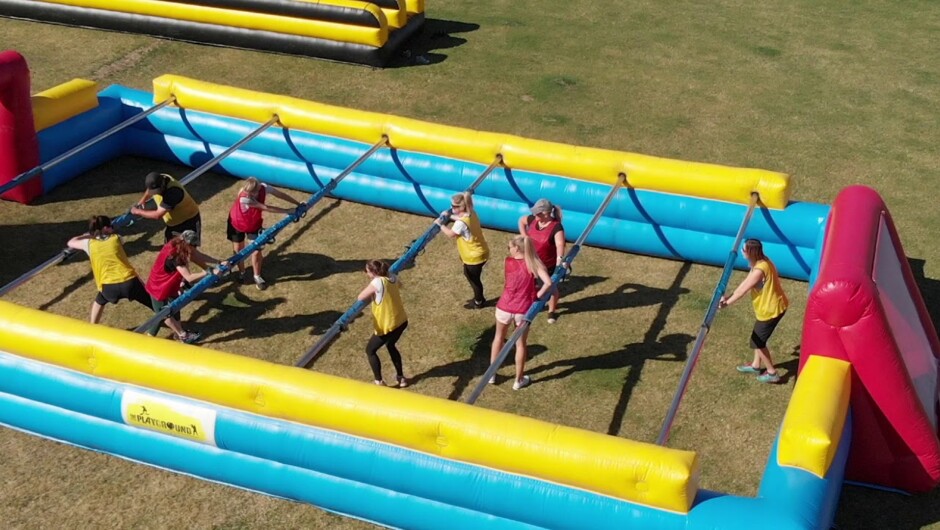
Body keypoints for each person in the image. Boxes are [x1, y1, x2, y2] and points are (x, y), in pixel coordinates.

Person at [66, 215, 197, 342]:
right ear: (106, 228)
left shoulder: (88, 243)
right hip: (130, 282)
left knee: (99, 301)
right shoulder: (117, 238)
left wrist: (89, 235)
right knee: (158, 309)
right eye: (111, 226)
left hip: (108, 287)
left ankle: (92, 327)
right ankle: (181, 333)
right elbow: (115, 239)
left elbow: (71, 242)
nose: (113, 228)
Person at [719, 238, 789, 384]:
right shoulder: (761, 261)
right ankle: (756, 366)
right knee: (758, 337)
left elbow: (742, 292)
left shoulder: (759, 270)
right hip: (769, 307)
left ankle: (772, 373)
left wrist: (726, 304)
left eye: (744, 250)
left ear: (750, 252)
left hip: (771, 310)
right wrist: (728, 297)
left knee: (757, 341)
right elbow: (745, 282)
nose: (742, 252)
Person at [490, 235, 553, 390]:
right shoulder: (534, 264)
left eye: (509, 247)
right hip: (523, 310)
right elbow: (549, 282)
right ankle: (518, 380)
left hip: (504, 306)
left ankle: (491, 374)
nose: (508, 250)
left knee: (498, 337)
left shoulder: (507, 261)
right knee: (520, 345)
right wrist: (538, 295)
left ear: (516, 248)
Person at [144, 230, 226, 343]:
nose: (195, 248)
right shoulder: (176, 256)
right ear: (188, 245)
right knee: (164, 314)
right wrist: (209, 272)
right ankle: (183, 335)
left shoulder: (178, 244)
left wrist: (218, 262)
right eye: (194, 246)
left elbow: (197, 255)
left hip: (171, 283)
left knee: (175, 305)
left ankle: (177, 331)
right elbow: (189, 278)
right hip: (158, 287)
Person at [227, 177, 303, 290]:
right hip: (236, 222)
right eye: (247, 192)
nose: (249, 194)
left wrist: (297, 203)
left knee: (257, 251)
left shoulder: (264, 187)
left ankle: (257, 276)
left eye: (252, 192)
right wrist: (288, 211)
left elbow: (280, 194)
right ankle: (242, 272)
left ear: (258, 188)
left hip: (253, 223)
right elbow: (266, 208)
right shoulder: (245, 198)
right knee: (239, 250)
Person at [357, 259, 409, 388]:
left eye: (367, 271)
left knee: (370, 350)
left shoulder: (377, 282)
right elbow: (400, 285)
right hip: (401, 321)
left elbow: (361, 297)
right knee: (391, 345)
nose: (366, 274)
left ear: (373, 272)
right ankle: (401, 377)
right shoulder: (392, 277)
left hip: (388, 325)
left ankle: (379, 381)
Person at [435, 192, 490, 309]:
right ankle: (479, 297)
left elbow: (451, 233)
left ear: (462, 207)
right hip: (480, 251)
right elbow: (461, 220)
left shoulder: (460, 223)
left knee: (474, 280)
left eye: (454, 206)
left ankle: (479, 301)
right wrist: (449, 216)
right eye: (451, 205)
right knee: (469, 274)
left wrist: (440, 225)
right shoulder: (471, 213)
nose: (451, 208)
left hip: (474, 256)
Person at [518, 198, 566, 323]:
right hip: (531, 261)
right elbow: (521, 221)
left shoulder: (556, 228)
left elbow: (560, 245)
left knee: (551, 289)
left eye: (537, 213)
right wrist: (524, 236)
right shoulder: (534, 219)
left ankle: (551, 311)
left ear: (545, 213)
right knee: (528, 285)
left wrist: (559, 263)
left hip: (546, 266)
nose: (534, 215)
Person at [130, 172, 202, 246]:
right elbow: (149, 189)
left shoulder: (173, 192)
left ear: (163, 184)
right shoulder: (160, 179)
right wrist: (143, 199)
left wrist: (137, 211)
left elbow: (157, 215)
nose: (156, 193)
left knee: (189, 250)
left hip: (189, 221)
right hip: (173, 224)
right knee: (169, 249)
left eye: (157, 191)